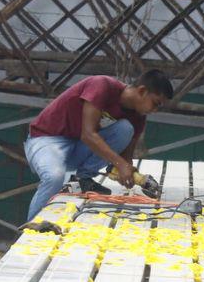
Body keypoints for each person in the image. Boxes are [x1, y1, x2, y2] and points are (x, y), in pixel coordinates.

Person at [23, 70, 173, 221]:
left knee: (125, 128)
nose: (155, 110)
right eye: (155, 103)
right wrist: (120, 164)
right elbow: (88, 135)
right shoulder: (102, 85)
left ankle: (84, 178)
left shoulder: (138, 117)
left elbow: (125, 158)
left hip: (77, 147)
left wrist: (129, 175)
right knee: (55, 176)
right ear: (142, 91)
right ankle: (30, 227)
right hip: (47, 139)